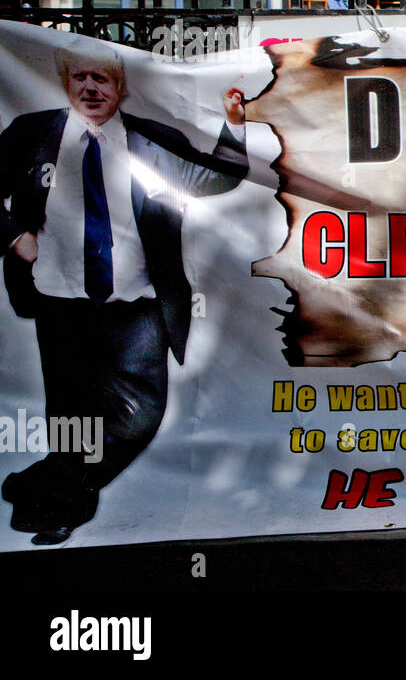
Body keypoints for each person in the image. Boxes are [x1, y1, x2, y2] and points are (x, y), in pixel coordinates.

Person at [0, 39, 248, 544]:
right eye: (80, 78)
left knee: (140, 416)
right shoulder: (33, 134)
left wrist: (234, 123)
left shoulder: (152, 139)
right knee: (71, 414)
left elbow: (214, 178)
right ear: (66, 83)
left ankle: (39, 484)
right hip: (59, 302)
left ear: (120, 87)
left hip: (135, 305)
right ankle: (59, 508)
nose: (90, 87)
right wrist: (13, 236)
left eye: (103, 79)